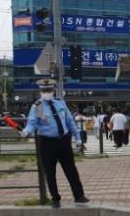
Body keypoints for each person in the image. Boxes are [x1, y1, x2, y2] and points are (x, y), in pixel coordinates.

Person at [21, 79, 89, 208]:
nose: (47, 92)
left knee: (71, 169)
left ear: (53, 90)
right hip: (47, 142)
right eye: (44, 90)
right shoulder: (38, 106)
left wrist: (78, 137)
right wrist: (27, 131)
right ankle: (55, 198)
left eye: (49, 90)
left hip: (64, 141)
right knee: (50, 171)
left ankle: (79, 196)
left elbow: (69, 121)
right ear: (40, 91)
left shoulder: (60, 103)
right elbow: (33, 123)